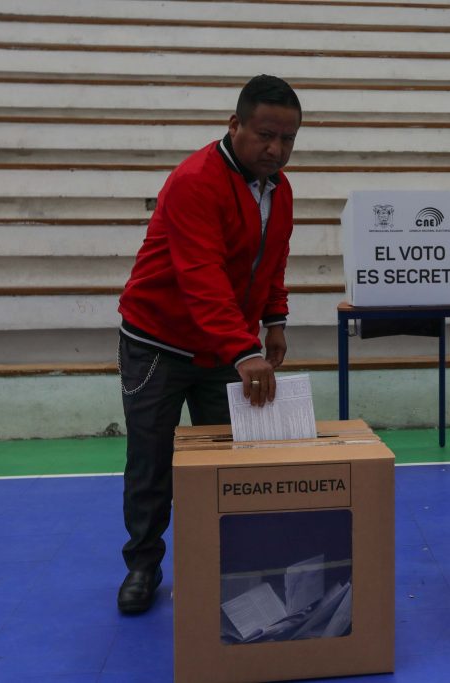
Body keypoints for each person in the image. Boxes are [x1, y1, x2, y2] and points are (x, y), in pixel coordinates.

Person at [115, 75, 302, 614]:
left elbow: (271, 261)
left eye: (288, 139)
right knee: (152, 461)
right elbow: (201, 274)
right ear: (234, 125)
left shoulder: (279, 190)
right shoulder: (195, 180)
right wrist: (244, 351)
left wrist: (274, 319)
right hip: (158, 341)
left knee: (231, 460)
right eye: (265, 135)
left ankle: (229, 562)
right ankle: (143, 566)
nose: (276, 149)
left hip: (226, 343)